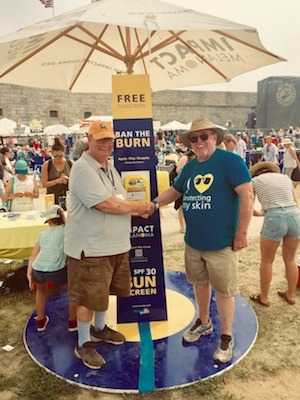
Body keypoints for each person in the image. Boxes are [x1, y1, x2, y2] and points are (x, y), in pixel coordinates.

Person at [150, 118, 253, 363]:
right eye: (194, 138)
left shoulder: (230, 161)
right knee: (200, 284)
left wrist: (241, 234)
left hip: (221, 243)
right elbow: (175, 191)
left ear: (215, 138)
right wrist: (153, 204)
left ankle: (226, 335)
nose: (199, 142)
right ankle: (204, 322)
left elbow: (247, 196)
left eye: (204, 137)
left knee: (225, 291)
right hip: (194, 242)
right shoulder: (191, 166)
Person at [64, 120, 152, 369]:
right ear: (88, 140)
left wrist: (133, 207)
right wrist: (141, 208)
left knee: (104, 294)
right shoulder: (82, 169)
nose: (106, 144)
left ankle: (99, 329)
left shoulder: (110, 167)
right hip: (90, 249)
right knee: (86, 299)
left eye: (109, 140)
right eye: (100, 139)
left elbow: (117, 199)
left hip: (115, 246)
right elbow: (107, 204)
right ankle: (83, 343)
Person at [249, 161, 300, 307]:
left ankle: (264, 297)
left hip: (274, 217)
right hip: (295, 216)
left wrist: (255, 213)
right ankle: (290, 295)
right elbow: (293, 202)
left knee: (267, 261)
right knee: (290, 259)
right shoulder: (285, 178)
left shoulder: (255, 181)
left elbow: (249, 202)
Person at [27, 205, 77, 331]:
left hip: (38, 268)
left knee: (41, 291)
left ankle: (40, 321)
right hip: (58, 270)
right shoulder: (68, 230)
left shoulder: (42, 234)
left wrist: (29, 273)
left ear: (48, 221)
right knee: (72, 291)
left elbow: (33, 256)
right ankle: (72, 322)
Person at [41, 138, 72, 205]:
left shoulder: (70, 163)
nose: (58, 159)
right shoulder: (47, 165)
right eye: (55, 156)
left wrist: (68, 179)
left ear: (64, 153)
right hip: (52, 198)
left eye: (60, 156)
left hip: (67, 197)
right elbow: (44, 184)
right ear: (51, 153)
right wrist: (58, 181)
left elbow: (76, 181)